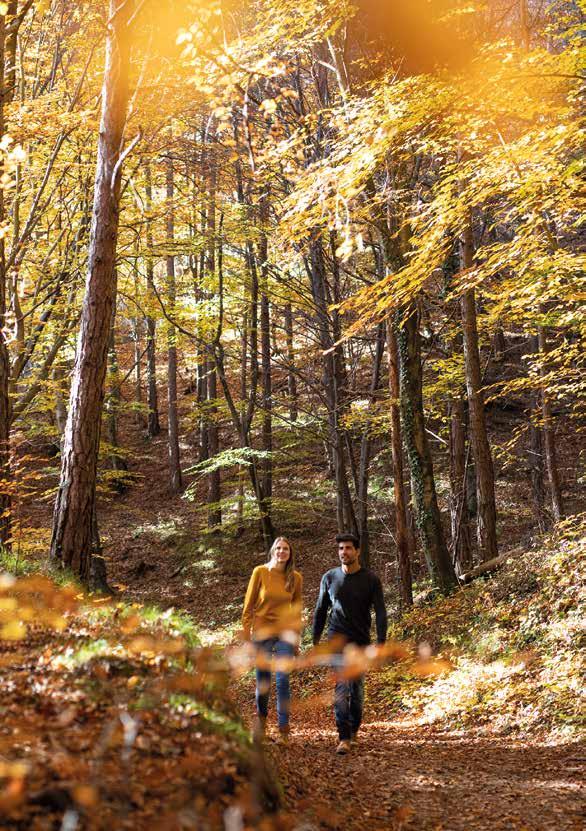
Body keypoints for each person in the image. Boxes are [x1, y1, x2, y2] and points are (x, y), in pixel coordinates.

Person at [312, 532, 387, 755]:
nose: (343, 552)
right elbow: (320, 610)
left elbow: (380, 611)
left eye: (348, 548)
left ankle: (354, 730)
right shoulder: (329, 578)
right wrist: (316, 639)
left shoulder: (371, 579)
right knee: (341, 687)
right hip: (336, 640)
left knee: (357, 689)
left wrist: (381, 642)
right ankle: (343, 736)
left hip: (361, 642)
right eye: (340, 548)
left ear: (357, 551)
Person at [242, 536, 303, 739]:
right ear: (272, 551)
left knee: (283, 678)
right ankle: (261, 719)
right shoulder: (260, 572)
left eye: (286, 549)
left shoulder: (295, 578)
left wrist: (296, 639)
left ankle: (284, 729)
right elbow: (248, 606)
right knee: (264, 680)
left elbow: (296, 611)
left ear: (290, 553)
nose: (282, 552)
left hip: (284, 633)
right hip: (262, 633)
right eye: (278, 548)